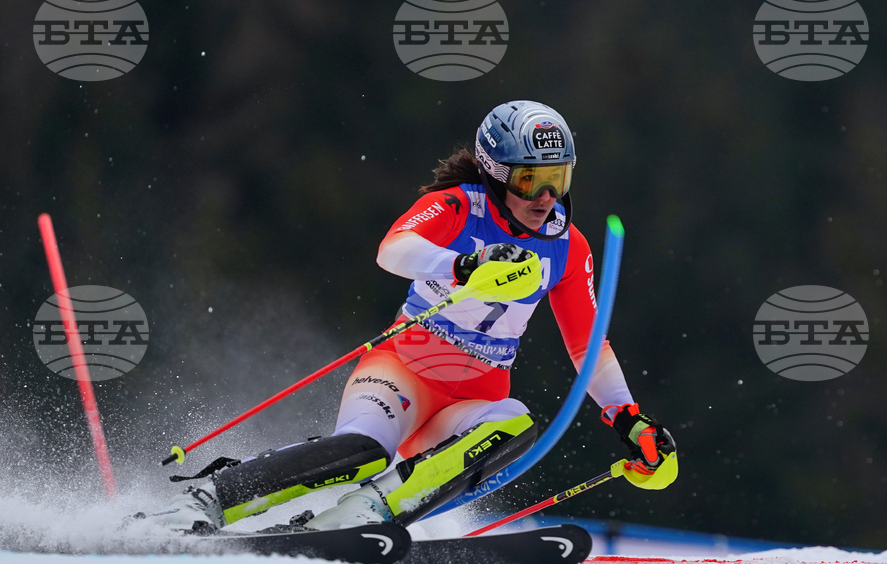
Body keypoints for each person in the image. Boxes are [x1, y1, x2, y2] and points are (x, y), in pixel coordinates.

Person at [143, 100, 677, 534]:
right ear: (495, 174)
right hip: (402, 370)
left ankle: (358, 517)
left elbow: (588, 347)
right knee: (365, 450)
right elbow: (392, 250)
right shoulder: (458, 208)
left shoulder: (569, 246)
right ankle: (208, 499)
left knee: (514, 420)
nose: (543, 198)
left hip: (473, 398)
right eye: (528, 180)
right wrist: (465, 264)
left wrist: (628, 418)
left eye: (556, 180)